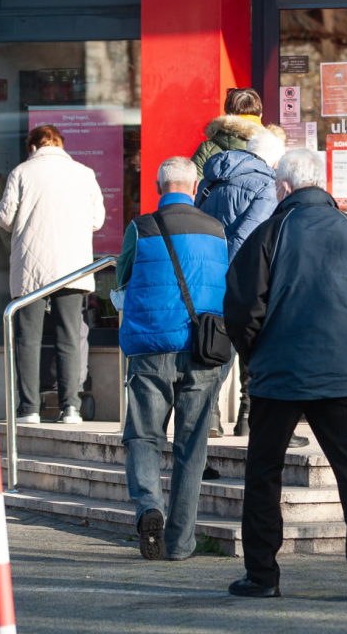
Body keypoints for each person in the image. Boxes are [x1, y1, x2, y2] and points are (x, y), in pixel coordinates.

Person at [223, 149, 347, 601]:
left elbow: (244, 307)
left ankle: (263, 576)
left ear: (283, 187)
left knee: (264, 472)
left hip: (278, 374)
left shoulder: (270, 232)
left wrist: (253, 353)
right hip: (341, 374)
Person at [117, 156, 231, 561]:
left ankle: (149, 507)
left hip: (151, 349)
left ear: (157, 186)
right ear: (195, 185)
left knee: (144, 436)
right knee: (191, 445)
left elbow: (122, 277)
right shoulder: (217, 230)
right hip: (203, 349)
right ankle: (181, 544)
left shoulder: (140, 227)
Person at [195, 133, 307, 446]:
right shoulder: (265, 184)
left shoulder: (212, 179)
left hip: (208, 274)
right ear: (274, 161)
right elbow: (251, 236)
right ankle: (253, 421)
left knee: (218, 346)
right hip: (245, 276)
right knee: (259, 350)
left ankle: (210, 415)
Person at [0, 124, 105, 424]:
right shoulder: (84, 173)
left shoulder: (21, 172)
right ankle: (70, 407)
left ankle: (29, 409)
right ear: (60, 144)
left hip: (31, 268)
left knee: (27, 339)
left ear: (32, 147)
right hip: (72, 268)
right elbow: (97, 220)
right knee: (69, 337)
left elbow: (5, 219)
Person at [190, 88, 268, 179]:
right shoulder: (273, 148)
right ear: (260, 116)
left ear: (226, 114)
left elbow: (194, 186)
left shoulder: (207, 149)